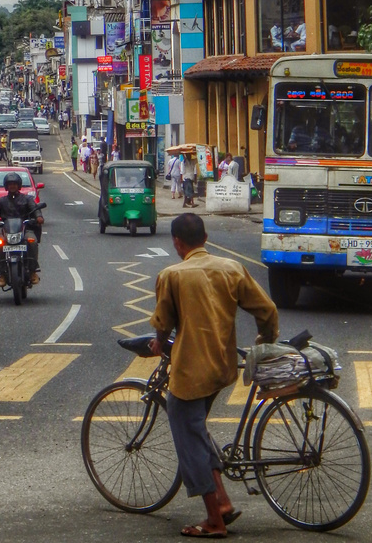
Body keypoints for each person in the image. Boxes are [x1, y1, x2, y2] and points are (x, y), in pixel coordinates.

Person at [149, 213, 279, 538]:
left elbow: (163, 325)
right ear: (206, 238)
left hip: (190, 372)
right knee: (197, 428)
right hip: (222, 368)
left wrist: (158, 343)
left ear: (178, 243)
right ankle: (221, 501)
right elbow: (268, 311)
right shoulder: (231, 268)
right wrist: (263, 342)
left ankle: (213, 521)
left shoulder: (172, 275)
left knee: (188, 437)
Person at [0, 172, 44, 287]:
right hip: (6, 231)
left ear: (19, 185)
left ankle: (32, 272)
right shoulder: (1, 201)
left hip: (25, 229)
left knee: (32, 241)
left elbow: (35, 209)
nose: (12, 186)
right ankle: (2, 273)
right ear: (6, 186)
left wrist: (38, 217)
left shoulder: (27, 199)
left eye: (15, 184)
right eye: (10, 184)